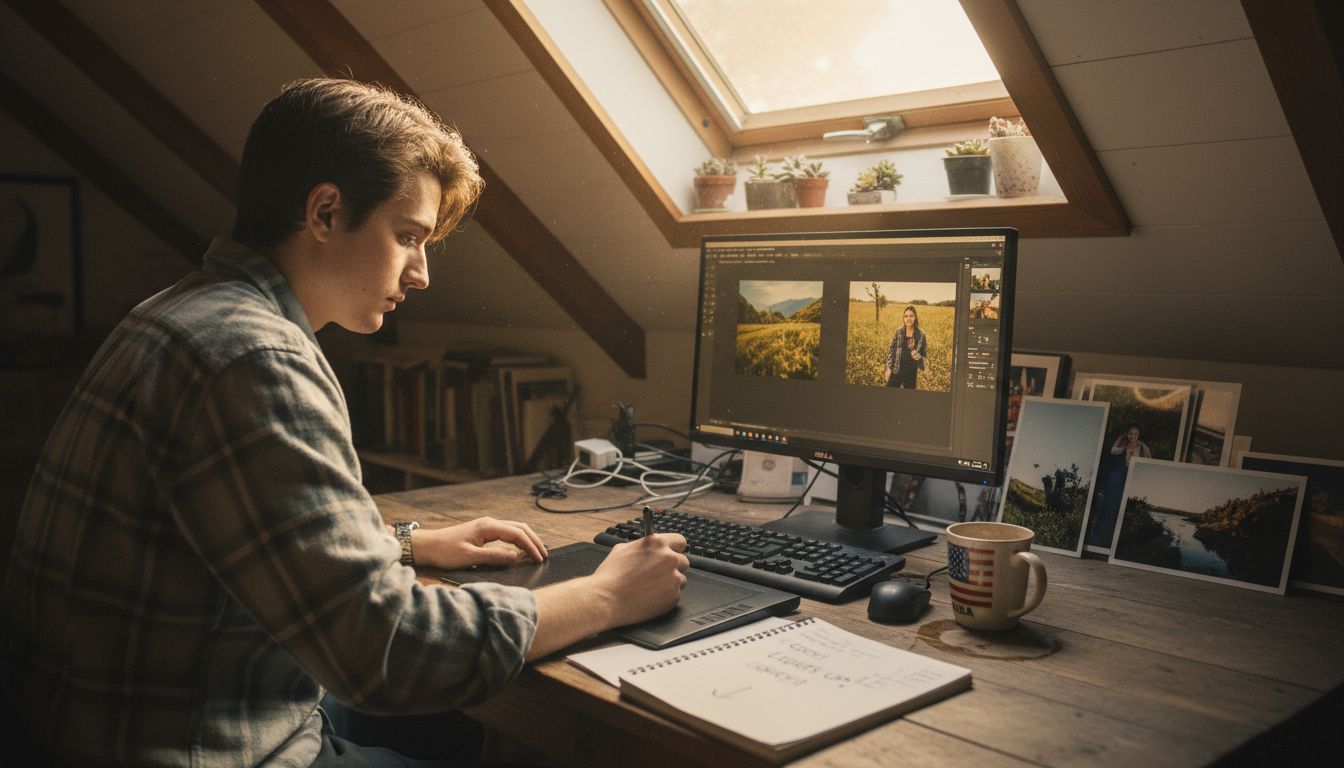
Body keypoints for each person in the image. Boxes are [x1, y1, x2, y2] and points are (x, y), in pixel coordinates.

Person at [0, 78, 689, 767]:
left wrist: (409, 544)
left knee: (455, 731)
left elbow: (243, 530)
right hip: (207, 747)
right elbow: (386, 649)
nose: (420, 275)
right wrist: (605, 595)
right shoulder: (256, 358)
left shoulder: (177, 314)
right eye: (407, 236)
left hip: (89, 724)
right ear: (325, 212)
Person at [1087, 423, 1152, 547]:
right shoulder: (1122, 444)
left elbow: (1149, 461)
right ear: (1127, 434)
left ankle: (1117, 542)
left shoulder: (1143, 447)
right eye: (1131, 433)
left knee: (1125, 509)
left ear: (1139, 435)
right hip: (1118, 477)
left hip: (1133, 477)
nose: (1133, 436)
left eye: (1136, 433)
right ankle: (1099, 539)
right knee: (1110, 506)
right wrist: (1124, 444)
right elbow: (1113, 450)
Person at [884, 305, 926, 389]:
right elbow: (891, 351)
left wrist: (917, 355)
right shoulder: (898, 332)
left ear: (915, 318)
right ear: (903, 318)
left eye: (911, 316)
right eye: (906, 316)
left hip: (911, 373)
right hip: (896, 369)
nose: (908, 318)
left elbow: (924, 357)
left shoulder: (921, 335)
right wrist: (888, 369)